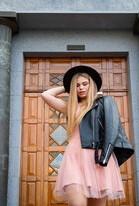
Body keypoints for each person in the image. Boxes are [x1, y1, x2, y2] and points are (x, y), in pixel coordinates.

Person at [41, 65, 133, 206]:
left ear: (92, 85)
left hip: (97, 158)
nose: (81, 88)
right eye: (77, 86)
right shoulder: (71, 107)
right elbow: (45, 95)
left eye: (85, 84)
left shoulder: (105, 102)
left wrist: (106, 157)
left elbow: (112, 129)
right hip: (75, 158)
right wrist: (68, 86)